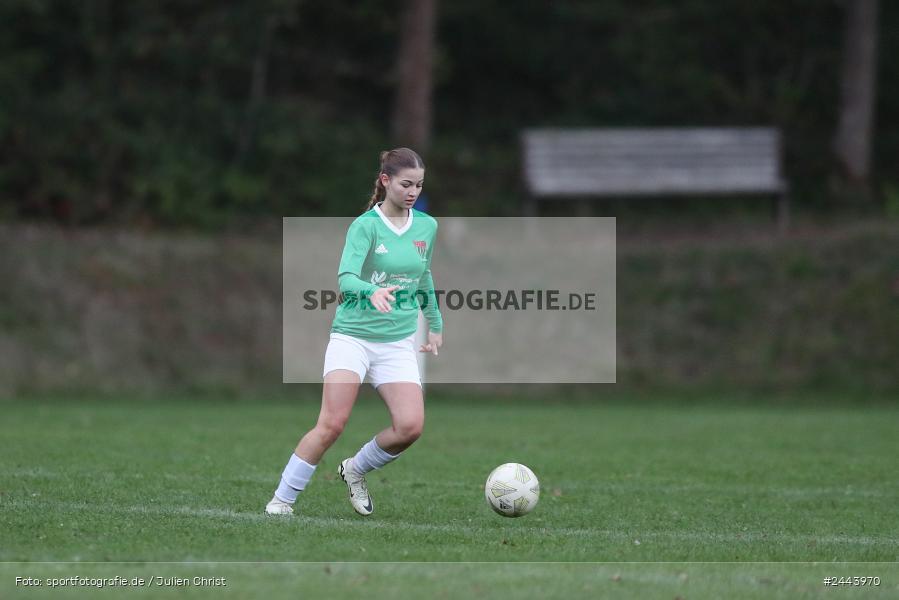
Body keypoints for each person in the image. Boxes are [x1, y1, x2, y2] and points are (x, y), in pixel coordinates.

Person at [266, 147, 444, 516]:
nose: (412, 192)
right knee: (332, 424)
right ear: (385, 181)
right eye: (405, 184)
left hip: (397, 343)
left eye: (419, 185)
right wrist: (371, 290)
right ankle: (281, 501)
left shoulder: (427, 226)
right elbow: (346, 279)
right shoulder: (365, 226)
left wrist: (436, 323)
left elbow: (423, 275)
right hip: (354, 338)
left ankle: (356, 470)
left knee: (410, 427)